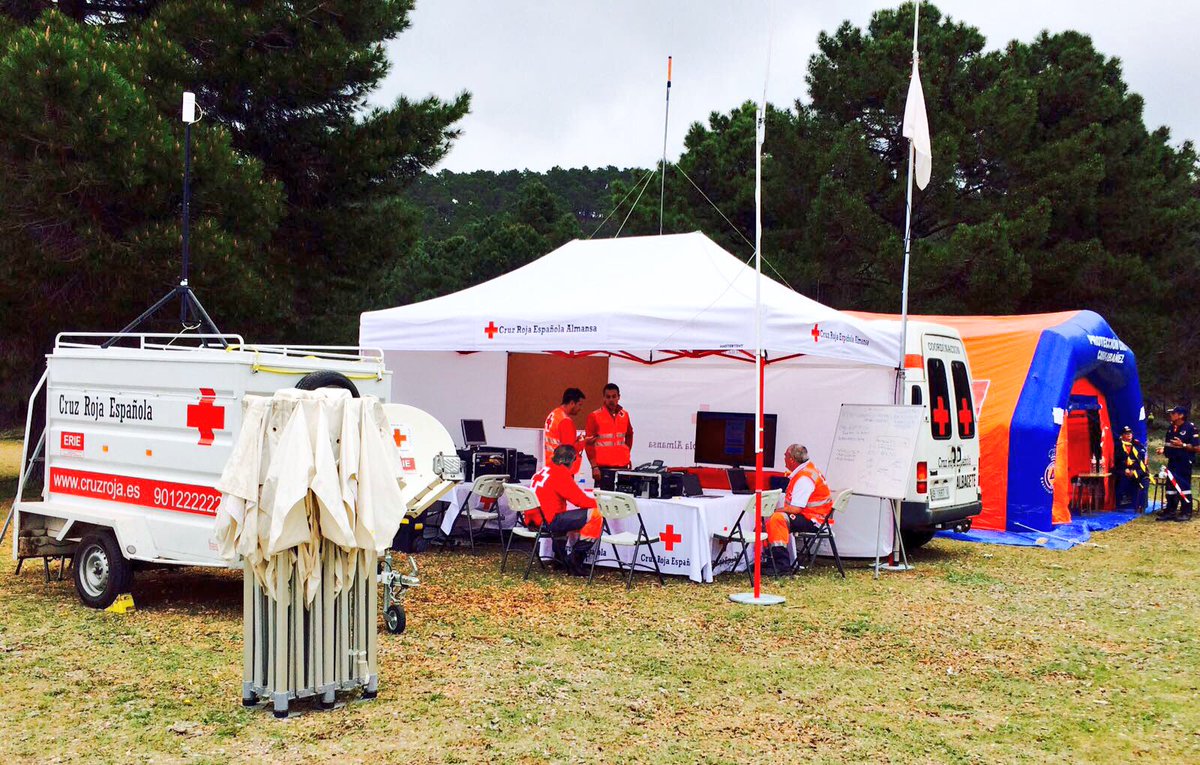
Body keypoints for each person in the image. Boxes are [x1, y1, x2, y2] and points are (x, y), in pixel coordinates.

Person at [526, 445, 602, 574]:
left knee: (564, 516)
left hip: (533, 520)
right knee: (596, 514)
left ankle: (560, 559)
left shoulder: (543, 470)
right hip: (548, 521)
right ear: (571, 460)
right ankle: (575, 560)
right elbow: (580, 501)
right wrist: (601, 504)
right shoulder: (560, 474)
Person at [764, 443, 833, 571]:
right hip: (817, 517)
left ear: (791, 459)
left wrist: (773, 511)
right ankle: (771, 559)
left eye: (785, 455)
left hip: (814, 520)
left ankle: (781, 565)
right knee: (776, 517)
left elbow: (796, 509)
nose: (783, 458)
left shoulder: (804, 478)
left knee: (777, 519)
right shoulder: (808, 471)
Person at [585, 383, 634, 483]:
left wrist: (626, 453)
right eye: (608, 397)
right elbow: (588, 444)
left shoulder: (624, 415)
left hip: (622, 467)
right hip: (602, 469)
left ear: (619, 397)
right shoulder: (594, 416)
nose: (611, 399)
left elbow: (629, 434)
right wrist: (594, 467)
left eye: (614, 396)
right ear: (604, 398)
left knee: (622, 498)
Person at [1157, 406, 1199, 521]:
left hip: (1184, 462)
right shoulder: (1171, 427)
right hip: (1172, 461)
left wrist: (1183, 445)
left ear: (1181, 415)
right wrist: (1163, 450)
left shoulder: (1190, 428)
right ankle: (1170, 511)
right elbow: (1170, 445)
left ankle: (1186, 512)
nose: (1171, 415)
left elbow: (1197, 447)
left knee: (1183, 486)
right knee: (1170, 487)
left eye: (1173, 413)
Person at [543, 388, 586, 474]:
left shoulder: (554, 414)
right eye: (579, 405)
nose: (580, 408)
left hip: (551, 465)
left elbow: (560, 441)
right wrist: (584, 442)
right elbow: (569, 451)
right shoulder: (565, 421)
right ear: (572, 403)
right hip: (561, 469)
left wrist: (577, 439)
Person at [1114, 426, 1148, 511]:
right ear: (1122, 436)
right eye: (1126, 433)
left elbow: (1141, 461)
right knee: (1121, 477)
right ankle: (1121, 503)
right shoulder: (1118, 446)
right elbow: (1116, 461)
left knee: (1144, 478)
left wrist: (1134, 470)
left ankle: (1141, 505)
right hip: (1123, 469)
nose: (1129, 435)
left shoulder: (1137, 445)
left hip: (1136, 469)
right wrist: (1125, 468)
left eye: (1130, 433)